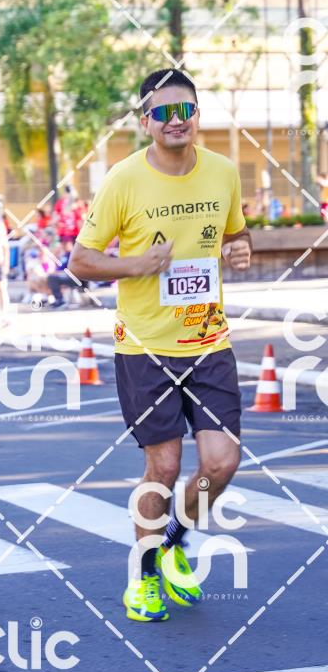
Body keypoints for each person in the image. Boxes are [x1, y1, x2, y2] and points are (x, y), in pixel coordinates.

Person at [69, 69, 251, 623]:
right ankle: (144, 576)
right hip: (145, 347)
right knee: (164, 466)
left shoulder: (222, 172)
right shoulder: (124, 180)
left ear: (197, 115)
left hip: (209, 340)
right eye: (164, 113)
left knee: (222, 462)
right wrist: (136, 265)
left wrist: (239, 249)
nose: (177, 121)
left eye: (185, 110)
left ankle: (173, 541)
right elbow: (81, 260)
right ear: (146, 121)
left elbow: (235, 233)